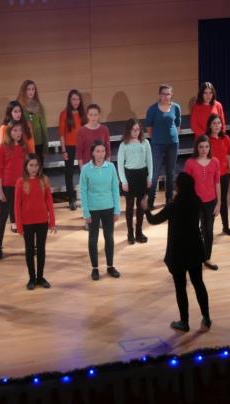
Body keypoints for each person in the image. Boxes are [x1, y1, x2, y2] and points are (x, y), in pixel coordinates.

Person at [141, 172, 211, 332]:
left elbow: (153, 220)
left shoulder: (173, 206)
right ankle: (206, 317)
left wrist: (145, 209)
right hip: (194, 249)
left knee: (181, 288)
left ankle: (184, 322)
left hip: (178, 252)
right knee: (199, 283)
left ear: (179, 187)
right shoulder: (196, 201)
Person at [79, 140, 121, 281]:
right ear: (92, 153)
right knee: (93, 239)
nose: (100, 154)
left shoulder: (111, 167)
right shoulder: (86, 169)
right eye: (98, 151)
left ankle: (110, 266)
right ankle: (95, 268)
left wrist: (117, 209)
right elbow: (83, 191)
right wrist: (85, 213)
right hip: (93, 209)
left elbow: (115, 188)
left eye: (103, 151)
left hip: (109, 208)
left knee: (109, 238)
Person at [15, 154, 56, 290]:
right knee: (29, 250)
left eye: (36, 165)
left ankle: (40, 277)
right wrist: (19, 226)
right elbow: (17, 205)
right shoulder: (21, 182)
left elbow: (49, 201)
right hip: (27, 221)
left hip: (42, 220)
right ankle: (31, 278)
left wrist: (52, 222)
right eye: (31, 165)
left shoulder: (44, 180)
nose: (33, 168)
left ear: (39, 166)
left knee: (41, 249)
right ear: (26, 167)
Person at [184, 135, 221, 270]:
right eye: (201, 147)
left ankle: (207, 258)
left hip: (211, 201)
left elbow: (217, 183)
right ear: (196, 148)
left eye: (206, 147)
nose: (204, 149)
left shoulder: (215, 162)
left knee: (208, 231)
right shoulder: (190, 163)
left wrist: (219, 203)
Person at [0, 121, 28, 260]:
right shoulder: (3, 147)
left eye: (19, 130)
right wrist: (0, 191)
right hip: (7, 187)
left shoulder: (24, 147)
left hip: (22, 187)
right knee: (3, 217)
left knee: (24, 217)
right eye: (14, 131)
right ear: (9, 132)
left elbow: (28, 168)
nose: (18, 133)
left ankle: (29, 246)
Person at [145, 84, 181, 209]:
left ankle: (169, 199)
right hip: (157, 145)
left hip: (173, 144)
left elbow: (177, 125)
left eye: (168, 94)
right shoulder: (152, 109)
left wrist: (173, 137)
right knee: (155, 174)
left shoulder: (176, 107)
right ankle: (150, 201)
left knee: (170, 172)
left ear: (171, 95)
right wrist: (156, 139)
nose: (166, 96)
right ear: (159, 95)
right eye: (163, 94)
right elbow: (149, 128)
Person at [117, 118, 153, 244]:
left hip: (142, 175)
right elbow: (120, 164)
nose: (136, 132)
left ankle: (139, 232)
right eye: (133, 130)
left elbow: (149, 161)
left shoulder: (145, 143)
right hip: (129, 176)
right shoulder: (124, 145)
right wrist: (123, 181)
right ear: (129, 130)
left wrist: (149, 177)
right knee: (129, 206)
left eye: (138, 129)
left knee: (141, 206)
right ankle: (130, 232)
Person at [206, 114, 230, 236]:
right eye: (214, 123)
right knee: (210, 203)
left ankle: (226, 227)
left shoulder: (226, 139)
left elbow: (228, 157)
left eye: (219, 123)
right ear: (209, 125)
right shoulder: (206, 139)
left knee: (223, 201)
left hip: (223, 175)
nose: (217, 126)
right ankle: (207, 229)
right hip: (210, 177)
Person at [59, 89, 87, 210]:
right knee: (69, 172)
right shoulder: (64, 114)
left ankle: (86, 197)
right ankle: (71, 199)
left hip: (82, 146)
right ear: (69, 101)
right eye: (73, 99)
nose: (76, 102)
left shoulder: (83, 114)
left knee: (84, 172)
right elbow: (61, 134)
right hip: (69, 146)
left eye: (78, 99)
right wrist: (63, 150)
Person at [17, 80, 47, 164]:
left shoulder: (39, 106)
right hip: (25, 143)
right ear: (24, 91)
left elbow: (43, 128)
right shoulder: (19, 106)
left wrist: (45, 146)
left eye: (33, 89)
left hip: (38, 142)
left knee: (39, 169)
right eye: (28, 89)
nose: (31, 92)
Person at [76, 104, 111, 170]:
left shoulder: (104, 129)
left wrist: (107, 166)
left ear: (99, 115)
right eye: (91, 115)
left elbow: (108, 149)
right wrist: (82, 169)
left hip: (102, 166)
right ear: (87, 115)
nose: (93, 117)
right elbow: (79, 152)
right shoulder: (81, 131)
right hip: (87, 166)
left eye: (95, 115)